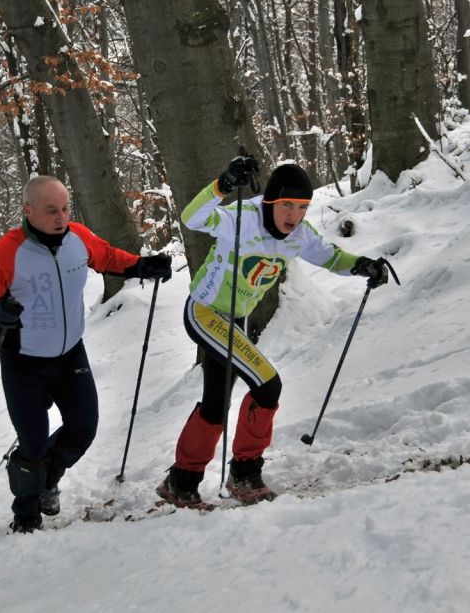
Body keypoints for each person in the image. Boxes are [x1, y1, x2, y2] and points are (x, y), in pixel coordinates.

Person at [156, 158, 389, 508]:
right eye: (286, 205)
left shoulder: (298, 235)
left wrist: (362, 265)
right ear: (270, 202)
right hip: (205, 312)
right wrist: (222, 184)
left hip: (233, 321)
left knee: (215, 407)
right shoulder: (243, 218)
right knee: (268, 385)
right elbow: (193, 218)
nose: (293, 215)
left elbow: (330, 257)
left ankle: (181, 481)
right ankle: (245, 473)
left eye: (301, 207)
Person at [0, 175, 172, 533]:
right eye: (51, 210)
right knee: (33, 444)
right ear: (28, 210)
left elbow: (108, 257)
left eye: (65, 209)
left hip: (70, 355)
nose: (61, 217)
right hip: (23, 362)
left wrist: (141, 265)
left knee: (83, 429)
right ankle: (25, 516)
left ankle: (48, 480)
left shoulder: (77, 237)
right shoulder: (7, 253)